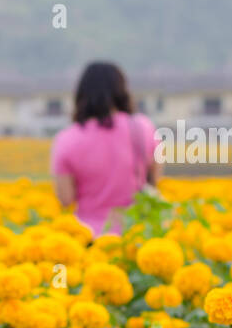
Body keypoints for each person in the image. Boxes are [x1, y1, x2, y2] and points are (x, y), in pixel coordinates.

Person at [50, 61, 161, 237]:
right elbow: (153, 181)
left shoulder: (66, 139)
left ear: (81, 94)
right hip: (135, 234)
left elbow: (65, 199)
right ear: (122, 91)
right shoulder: (143, 128)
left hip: (88, 235)